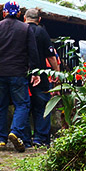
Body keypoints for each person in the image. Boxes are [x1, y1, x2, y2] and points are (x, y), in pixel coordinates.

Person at [0, 1, 40, 153]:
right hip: (18, 73)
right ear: (18, 14)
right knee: (22, 105)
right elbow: (32, 52)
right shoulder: (25, 28)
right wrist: (35, 72)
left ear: (3, 13)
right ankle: (15, 131)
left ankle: (1, 139)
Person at [23, 8, 60, 147]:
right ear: (39, 20)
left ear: (24, 18)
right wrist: (56, 73)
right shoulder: (41, 32)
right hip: (41, 75)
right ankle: (40, 138)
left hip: (23, 75)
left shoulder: (20, 30)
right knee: (43, 106)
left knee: (24, 107)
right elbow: (51, 56)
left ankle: (25, 139)